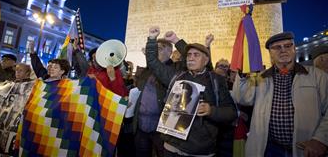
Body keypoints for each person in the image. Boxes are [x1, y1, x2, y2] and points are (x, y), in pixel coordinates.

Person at [232, 31, 328, 157]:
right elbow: (242, 98)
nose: (283, 50)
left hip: (304, 148)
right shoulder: (261, 77)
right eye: (277, 47)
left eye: (288, 46)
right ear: (270, 53)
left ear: (294, 48)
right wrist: (242, 73)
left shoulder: (317, 76)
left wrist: (321, 139)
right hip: (269, 148)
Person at [146, 26, 237, 156]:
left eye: (196, 55)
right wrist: (151, 39)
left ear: (206, 60)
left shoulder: (216, 81)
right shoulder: (176, 76)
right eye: (188, 55)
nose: (191, 58)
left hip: (200, 149)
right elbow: (153, 63)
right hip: (171, 146)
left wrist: (211, 110)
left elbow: (231, 112)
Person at [132, 38, 175, 157]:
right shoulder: (146, 71)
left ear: (170, 52)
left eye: (160, 49)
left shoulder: (174, 70)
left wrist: (176, 40)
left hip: (161, 130)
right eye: (154, 50)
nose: (156, 52)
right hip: (141, 126)